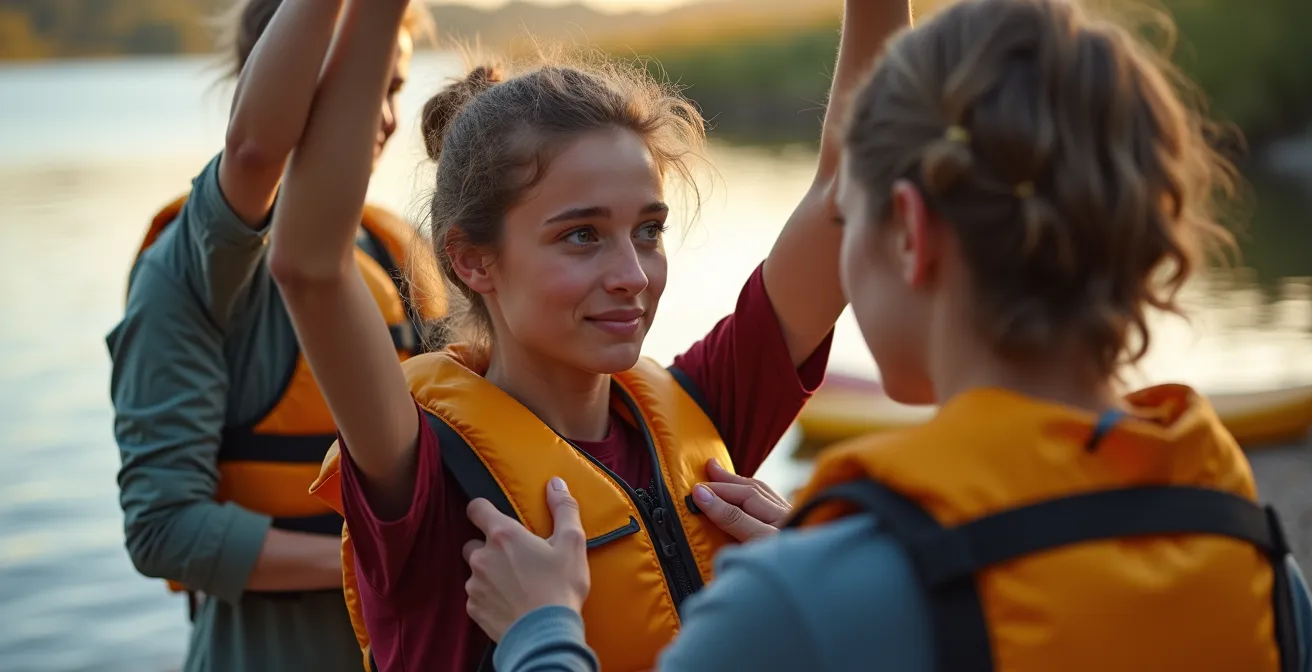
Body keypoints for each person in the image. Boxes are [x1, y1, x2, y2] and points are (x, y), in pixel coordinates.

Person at [457, 0, 1312, 670]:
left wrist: (542, 634)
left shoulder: (801, 604)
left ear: (909, 229)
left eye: (851, 217)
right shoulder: (1259, 556)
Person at [264, 0, 909, 669]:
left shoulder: (705, 407)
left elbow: (851, 185)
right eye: (582, 236)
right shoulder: (422, 465)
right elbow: (310, 266)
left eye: (649, 231)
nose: (632, 274)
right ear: (471, 259)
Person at [105, 0, 440, 670]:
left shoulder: (404, 251)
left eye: (391, 85)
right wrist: (375, 557)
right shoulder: (191, 266)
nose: (378, 116)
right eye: (346, 85)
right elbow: (163, 529)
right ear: (268, 84)